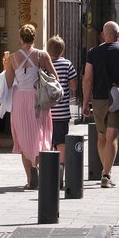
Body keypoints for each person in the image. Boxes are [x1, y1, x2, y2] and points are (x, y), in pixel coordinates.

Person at [82, 21, 119, 188]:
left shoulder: (93, 53)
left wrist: (85, 102)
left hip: (99, 98)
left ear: (104, 35)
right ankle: (106, 174)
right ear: (118, 34)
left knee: (101, 137)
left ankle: (105, 171)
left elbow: (87, 79)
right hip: (118, 97)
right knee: (113, 137)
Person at [5, 24, 57, 189]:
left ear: (20, 38)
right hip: (37, 98)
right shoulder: (42, 55)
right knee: (40, 136)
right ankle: (36, 166)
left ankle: (30, 179)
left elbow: (7, 82)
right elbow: (54, 77)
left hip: (20, 99)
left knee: (23, 138)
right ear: (34, 38)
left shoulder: (13, 58)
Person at [46, 35, 78, 179]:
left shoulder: (43, 64)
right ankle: (61, 165)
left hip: (46, 111)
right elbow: (73, 86)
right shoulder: (67, 64)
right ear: (62, 50)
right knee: (61, 141)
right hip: (63, 112)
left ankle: (48, 168)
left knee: (47, 140)